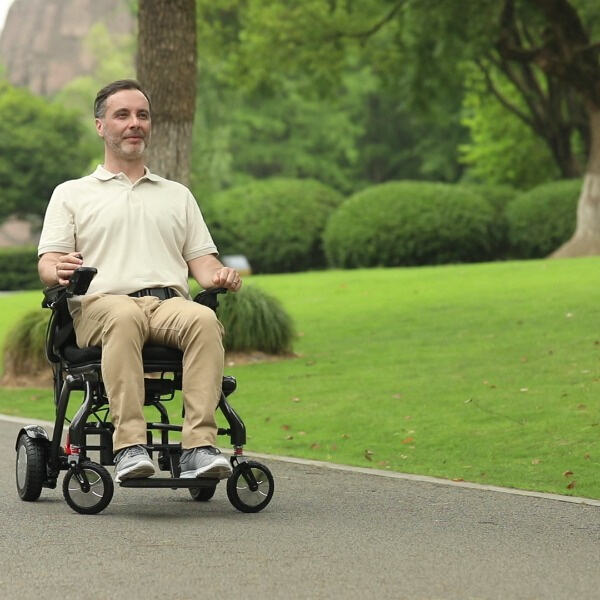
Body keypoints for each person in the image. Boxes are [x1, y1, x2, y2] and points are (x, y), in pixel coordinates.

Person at [37, 79, 242, 483]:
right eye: (123, 115)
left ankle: (198, 447)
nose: (135, 123)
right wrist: (57, 269)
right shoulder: (72, 194)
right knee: (124, 316)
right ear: (100, 126)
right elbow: (49, 262)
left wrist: (220, 275)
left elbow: (203, 263)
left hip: (167, 305)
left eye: (142, 115)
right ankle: (130, 445)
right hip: (100, 305)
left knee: (202, 320)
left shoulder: (176, 195)